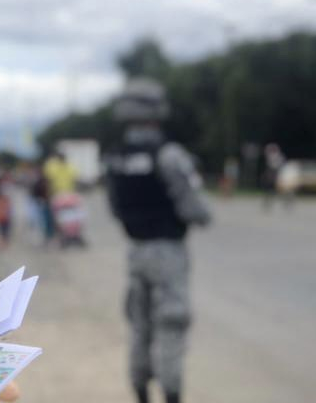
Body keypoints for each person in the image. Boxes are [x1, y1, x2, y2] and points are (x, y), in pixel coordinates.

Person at [105, 78, 212, 403]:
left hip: (135, 251)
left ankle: (140, 390)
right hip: (168, 251)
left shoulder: (116, 156)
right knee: (171, 324)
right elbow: (197, 210)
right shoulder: (169, 154)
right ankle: (172, 394)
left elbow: (114, 207)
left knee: (140, 325)